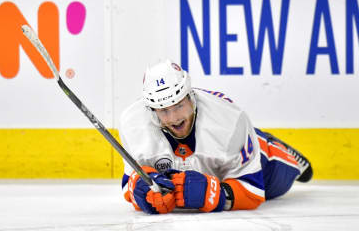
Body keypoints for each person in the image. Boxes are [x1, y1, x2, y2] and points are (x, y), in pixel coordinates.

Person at [119, 59, 313, 214]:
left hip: (253, 158)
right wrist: (141, 191)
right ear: (151, 111)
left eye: (179, 105)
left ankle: (273, 146)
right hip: (213, 154)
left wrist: (218, 195)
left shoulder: (229, 119)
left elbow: (254, 190)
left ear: (190, 96)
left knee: (279, 178)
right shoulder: (132, 124)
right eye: (163, 110)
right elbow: (130, 182)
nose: (174, 118)